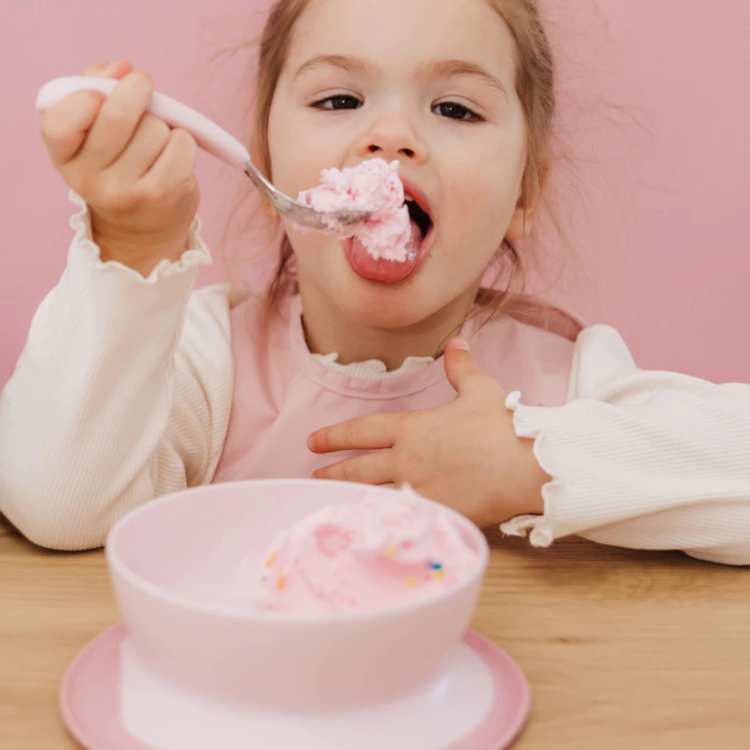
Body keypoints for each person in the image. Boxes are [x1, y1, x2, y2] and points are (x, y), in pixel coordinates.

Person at [1, 0, 749, 565]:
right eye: (339, 101)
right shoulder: (206, 363)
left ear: (524, 192)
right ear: (266, 161)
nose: (390, 137)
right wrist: (133, 245)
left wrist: (530, 461)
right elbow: (56, 503)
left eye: (454, 108)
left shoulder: (565, 382)